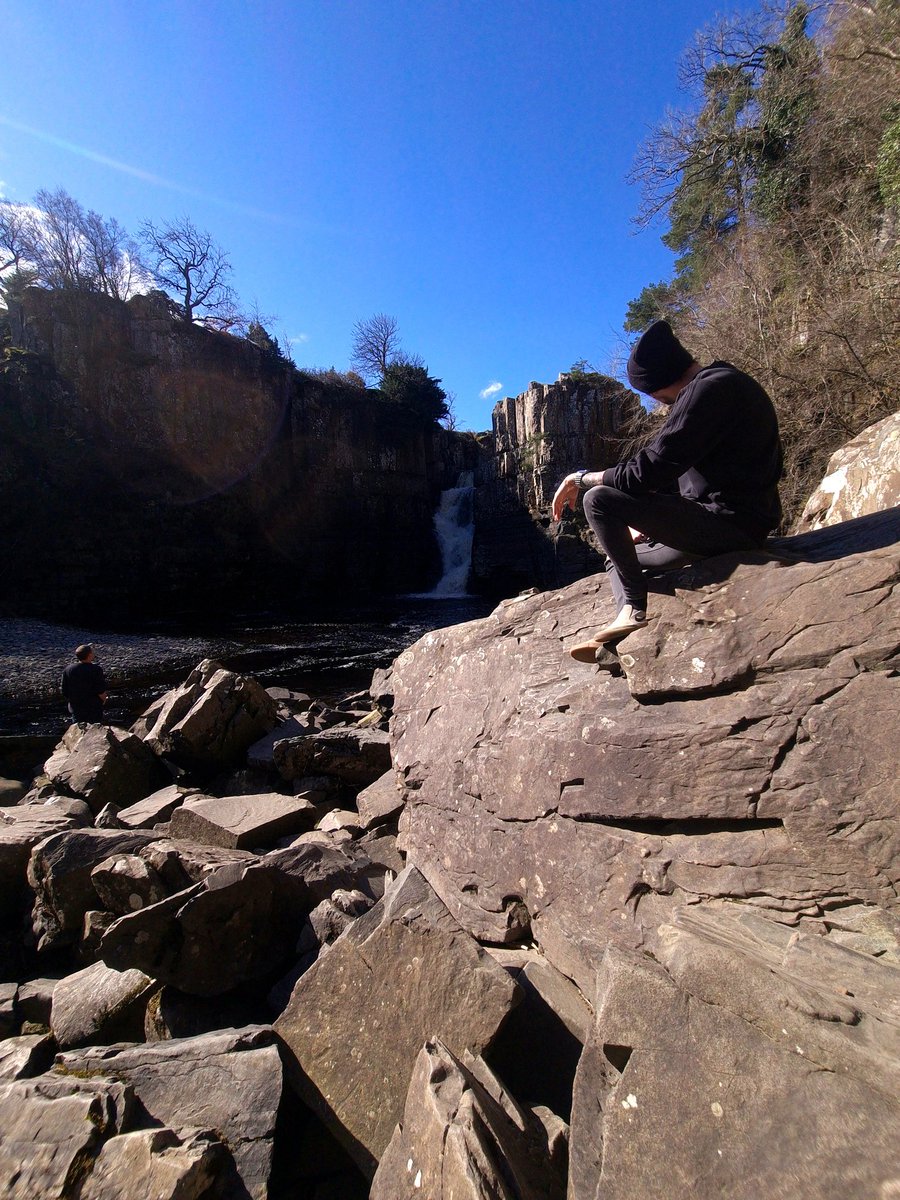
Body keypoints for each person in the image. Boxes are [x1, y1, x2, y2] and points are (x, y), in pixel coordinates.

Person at [552, 320, 783, 661]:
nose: (658, 404)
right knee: (617, 555)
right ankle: (618, 644)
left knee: (598, 500)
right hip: (731, 524)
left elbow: (647, 471)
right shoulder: (727, 384)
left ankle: (633, 608)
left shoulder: (711, 390)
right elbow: (682, 477)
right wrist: (647, 524)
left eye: (650, 395)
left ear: (657, 385)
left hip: (728, 526)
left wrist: (580, 478)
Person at [61, 644, 108, 724]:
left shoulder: (68, 669)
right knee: (93, 732)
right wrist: (104, 699)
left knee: (79, 731)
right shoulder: (96, 670)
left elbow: (64, 690)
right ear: (89, 655)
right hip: (93, 708)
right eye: (92, 652)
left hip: (76, 707)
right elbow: (100, 690)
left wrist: (72, 701)